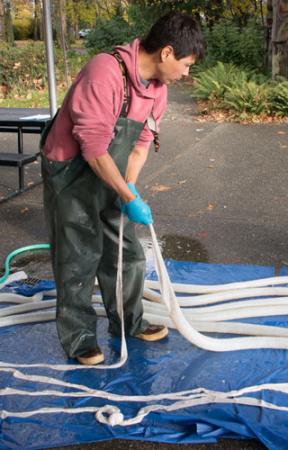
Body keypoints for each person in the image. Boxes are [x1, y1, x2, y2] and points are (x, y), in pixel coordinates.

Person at [40, 13, 205, 365]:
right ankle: (80, 336)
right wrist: (128, 196)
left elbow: (140, 144)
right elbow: (94, 148)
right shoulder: (105, 71)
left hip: (110, 172)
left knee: (126, 251)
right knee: (78, 254)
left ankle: (129, 320)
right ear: (166, 53)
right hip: (72, 173)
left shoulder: (158, 91)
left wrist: (128, 188)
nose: (187, 73)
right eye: (186, 64)